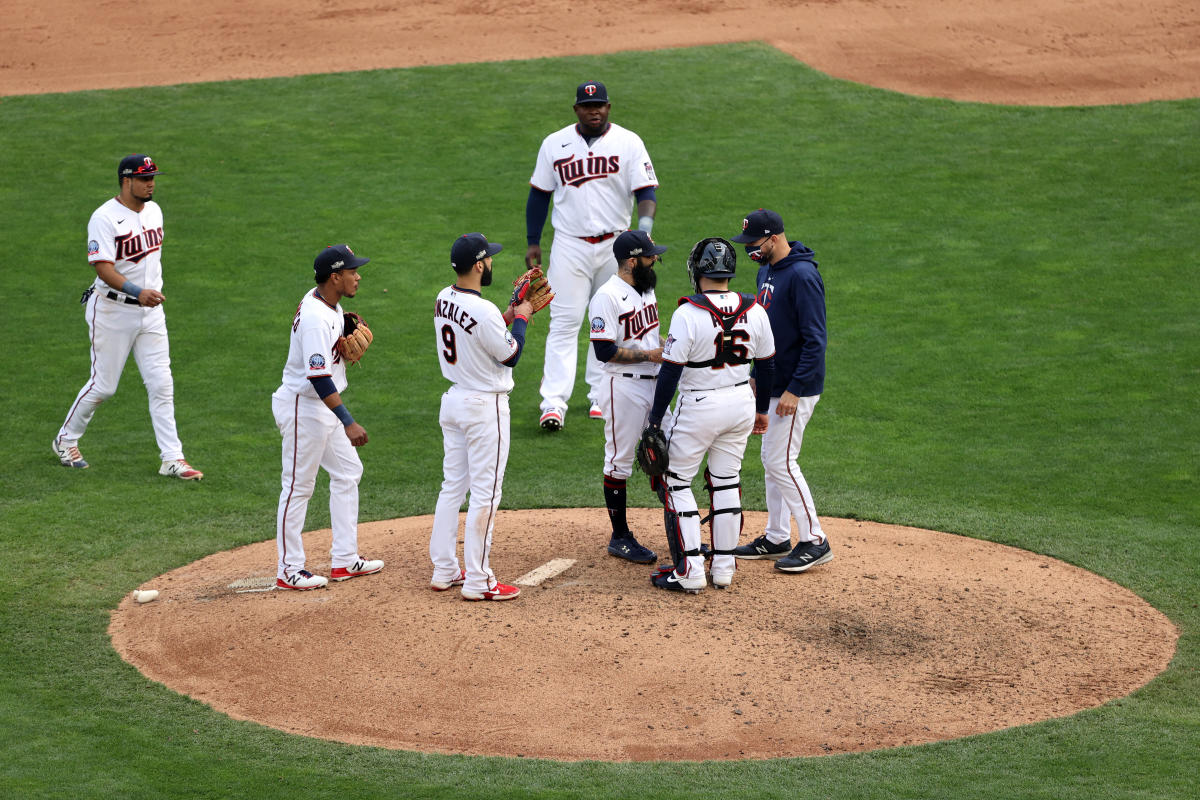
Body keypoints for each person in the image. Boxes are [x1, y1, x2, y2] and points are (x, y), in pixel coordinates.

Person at [53, 153, 203, 479]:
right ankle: (65, 440)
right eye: (145, 178)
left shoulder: (155, 211)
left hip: (151, 313)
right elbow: (103, 267)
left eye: (153, 178)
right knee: (103, 386)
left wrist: (147, 296)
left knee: (162, 384)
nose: (151, 184)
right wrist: (138, 292)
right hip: (112, 310)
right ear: (126, 180)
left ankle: (172, 458)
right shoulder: (104, 218)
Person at [525, 80, 659, 431]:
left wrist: (643, 229)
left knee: (611, 319)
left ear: (609, 107)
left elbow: (646, 190)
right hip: (569, 245)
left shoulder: (628, 142)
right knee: (565, 323)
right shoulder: (554, 144)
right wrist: (532, 241)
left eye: (599, 104)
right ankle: (553, 403)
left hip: (616, 245)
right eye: (587, 106)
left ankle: (600, 394)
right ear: (576, 110)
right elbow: (539, 195)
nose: (594, 110)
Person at [645, 238, 776, 593]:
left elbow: (670, 373)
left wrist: (655, 420)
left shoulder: (688, 313)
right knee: (726, 481)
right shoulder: (757, 310)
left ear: (698, 272)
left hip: (700, 407)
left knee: (676, 484)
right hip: (740, 405)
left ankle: (689, 572)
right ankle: (723, 569)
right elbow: (766, 367)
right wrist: (762, 410)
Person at [430, 233, 536, 601]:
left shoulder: (444, 298)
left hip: (454, 402)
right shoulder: (484, 311)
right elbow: (510, 355)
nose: (491, 262)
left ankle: (444, 569)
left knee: (452, 487)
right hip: (483, 408)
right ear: (478, 265)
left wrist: (507, 313)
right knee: (486, 494)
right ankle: (478, 579)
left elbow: (477, 331)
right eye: (488, 258)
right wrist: (520, 319)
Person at [271, 244, 384, 591]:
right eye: (352, 271)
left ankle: (345, 559)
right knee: (297, 487)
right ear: (335, 277)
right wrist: (348, 421)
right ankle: (288, 569)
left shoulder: (326, 302)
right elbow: (318, 378)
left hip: (321, 408)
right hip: (304, 408)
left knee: (349, 471)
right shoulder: (317, 319)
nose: (358, 276)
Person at [729, 209, 832, 573]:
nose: (750, 252)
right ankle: (776, 537)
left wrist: (795, 390)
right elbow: (765, 333)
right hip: (774, 382)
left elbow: (815, 340)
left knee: (781, 461)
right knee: (772, 463)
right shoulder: (766, 270)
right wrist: (760, 374)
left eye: (754, 245)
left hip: (795, 389)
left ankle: (815, 540)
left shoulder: (803, 276)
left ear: (774, 238)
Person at [588, 230, 666, 564]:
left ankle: (680, 528)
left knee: (666, 453)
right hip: (623, 387)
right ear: (632, 261)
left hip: (654, 383)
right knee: (619, 461)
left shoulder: (646, 290)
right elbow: (604, 350)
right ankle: (619, 537)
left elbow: (651, 336)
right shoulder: (606, 296)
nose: (656, 260)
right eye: (650, 256)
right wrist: (650, 355)